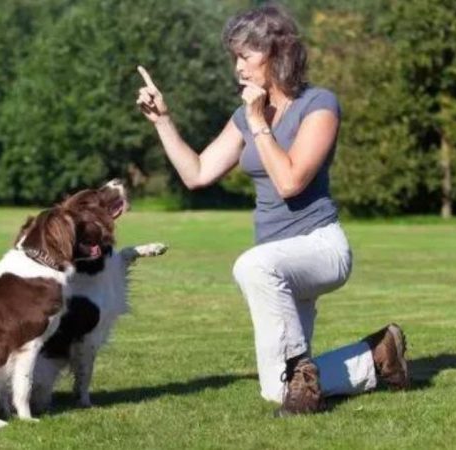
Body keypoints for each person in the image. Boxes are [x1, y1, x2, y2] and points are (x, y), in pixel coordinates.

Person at [135, 2, 409, 416]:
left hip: (320, 247)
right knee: (275, 392)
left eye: (245, 56)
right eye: (234, 58)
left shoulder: (319, 104)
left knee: (252, 266)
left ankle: (303, 373)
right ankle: (378, 357)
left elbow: (290, 181)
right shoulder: (244, 117)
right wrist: (162, 121)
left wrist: (258, 121)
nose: (238, 69)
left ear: (277, 52)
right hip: (276, 264)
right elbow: (198, 173)